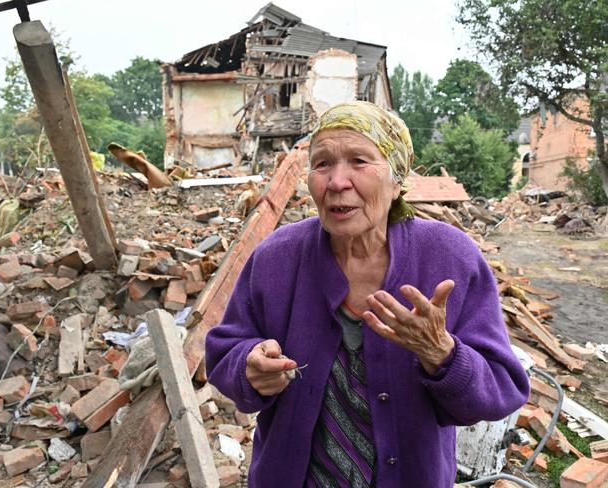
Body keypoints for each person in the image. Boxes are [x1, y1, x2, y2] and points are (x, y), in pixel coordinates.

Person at [205, 101, 530, 487]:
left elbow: (502, 387)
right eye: (322, 164)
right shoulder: (277, 257)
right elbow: (224, 351)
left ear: (396, 181)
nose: (337, 181)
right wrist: (249, 366)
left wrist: (441, 352)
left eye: (359, 161)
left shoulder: (450, 257)